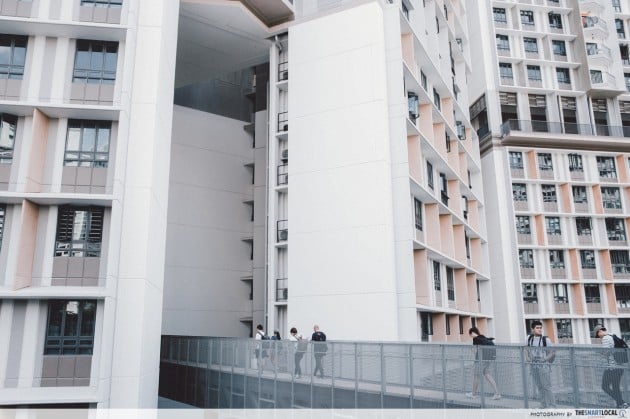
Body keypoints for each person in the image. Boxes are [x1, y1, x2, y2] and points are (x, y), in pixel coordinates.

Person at [594, 325, 629, 408]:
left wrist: (599, 352)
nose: (599, 337)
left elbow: (606, 352)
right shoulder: (613, 335)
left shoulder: (605, 338)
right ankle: (621, 405)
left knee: (604, 386)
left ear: (600, 331)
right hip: (619, 366)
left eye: (598, 335)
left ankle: (622, 402)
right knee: (615, 387)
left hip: (611, 367)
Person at [525, 320, 556, 409]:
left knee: (547, 386)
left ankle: (553, 406)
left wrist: (544, 359)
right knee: (539, 387)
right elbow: (526, 349)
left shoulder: (546, 340)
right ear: (532, 329)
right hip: (533, 366)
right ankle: (543, 405)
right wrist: (528, 358)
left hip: (544, 367)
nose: (539, 329)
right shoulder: (529, 338)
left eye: (540, 328)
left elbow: (551, 352)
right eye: (537, 328)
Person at [466, 326, 501, 400]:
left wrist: (472, 349)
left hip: (480, 360)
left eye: (470, 334)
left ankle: (473, 394)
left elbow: (475, 351)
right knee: (487, 375)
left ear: (472, 333)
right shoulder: (483, 337)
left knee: (476, 376)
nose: (470, 336)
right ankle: (497, 393)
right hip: (488, 359)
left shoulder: (475, 339)